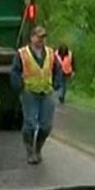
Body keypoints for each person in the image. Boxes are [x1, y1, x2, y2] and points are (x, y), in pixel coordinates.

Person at [11, 25, 63, 164]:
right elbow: (15, 72)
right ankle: (30, 152)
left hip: (46, 92)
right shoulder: (22, 53)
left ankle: (38, 149)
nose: (41, 40)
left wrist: (57, 83)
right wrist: (20, 87)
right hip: (29, 93)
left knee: (46, 125)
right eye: (39, 37)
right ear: (32, 37)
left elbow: (57, 69)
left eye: (43, 37)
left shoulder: (51, 53)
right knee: (30, 124)